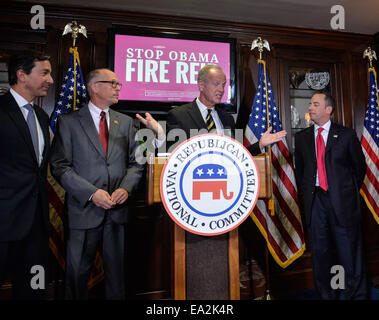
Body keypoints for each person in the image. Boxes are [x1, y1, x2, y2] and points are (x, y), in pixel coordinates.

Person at [137, 64, 286, 299]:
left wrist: (259, 145)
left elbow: (235, 155)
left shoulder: (226, 117)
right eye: (216, 84)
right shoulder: (180, 114)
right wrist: (159, 134)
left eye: (224, 84)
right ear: (201, 85)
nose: (222, 89)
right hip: (193, 200)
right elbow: (174, 153)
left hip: (223, 202)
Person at [50, 68, 144, 300]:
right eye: (112, 83)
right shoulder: (68, 122)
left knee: (118, 276)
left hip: (117, 212)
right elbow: (60, 166)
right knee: (77, 275)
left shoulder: (126, 122)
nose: (118, 88)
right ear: (94, 87)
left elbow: (137, 163)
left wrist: (126, 188)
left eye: (118, 84)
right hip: (84, 211)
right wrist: (92, 194)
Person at [295, 91, 367, 300]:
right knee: (321, 253)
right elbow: (301, 171)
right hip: (315, 202)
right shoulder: (302, 138)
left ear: (328, 110)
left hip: (342, 202)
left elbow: (359, 168)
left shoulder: (346, 135)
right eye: (310, 103)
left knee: (349, 253)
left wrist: (344, 191)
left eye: (315, 104)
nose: (310, 107)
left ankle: (356, 295)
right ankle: (327, 295)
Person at [0, 51, 53, 299]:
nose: (50, 80)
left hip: (36, 224)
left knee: (33, 290)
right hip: (4, 221)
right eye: (44, 73)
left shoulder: (41, 116)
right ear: (21, 75)